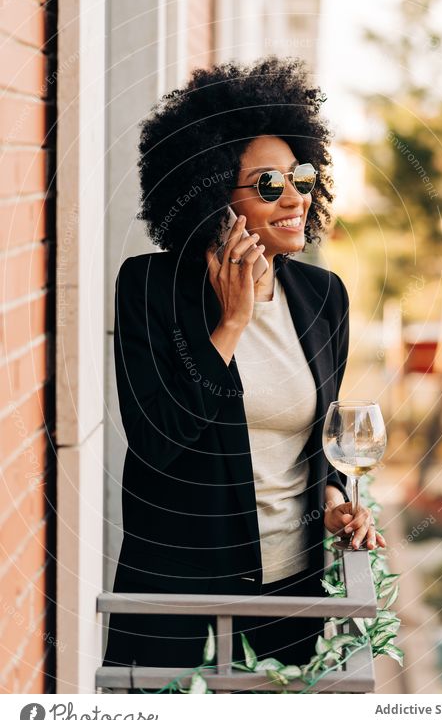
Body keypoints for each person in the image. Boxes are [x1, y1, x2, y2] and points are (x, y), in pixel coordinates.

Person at [102, 56, 386, 675]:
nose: (294, 199)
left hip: (291, 596)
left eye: (301, 177)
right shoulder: (151, 288)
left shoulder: (322, 297)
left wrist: (336, 497)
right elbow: (158, 440)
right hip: (179, 602)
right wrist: (229, 324)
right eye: (267, 184)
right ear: (211, 194)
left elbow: (309, 444)